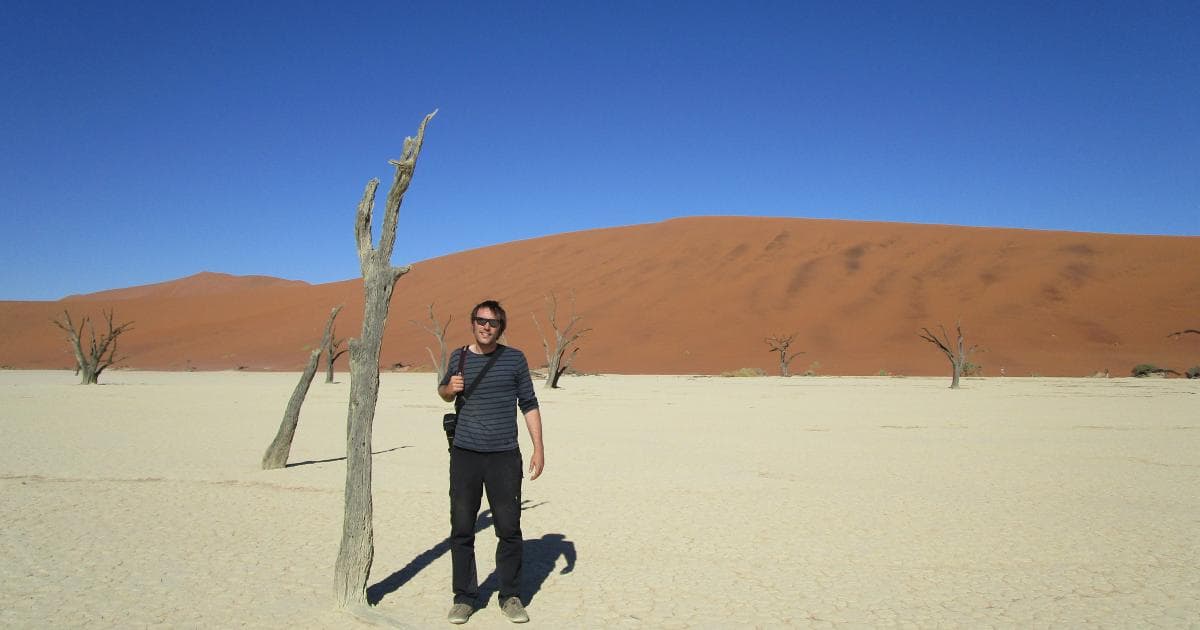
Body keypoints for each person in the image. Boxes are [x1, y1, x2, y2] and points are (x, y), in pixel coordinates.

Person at [438, 299, 544, 624]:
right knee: (462, 528)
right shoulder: (458, 357)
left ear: (501, 327)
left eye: (493, 322)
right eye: (481, 320)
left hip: (504, 456)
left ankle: (510, 596)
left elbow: (528, 403)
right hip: (465, 455)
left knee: (509, 529)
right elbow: (444, 392)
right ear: (472, 323)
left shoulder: (514, 359)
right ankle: (464, 598)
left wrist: (539, 447)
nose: (486, 326)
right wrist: (447, 388)